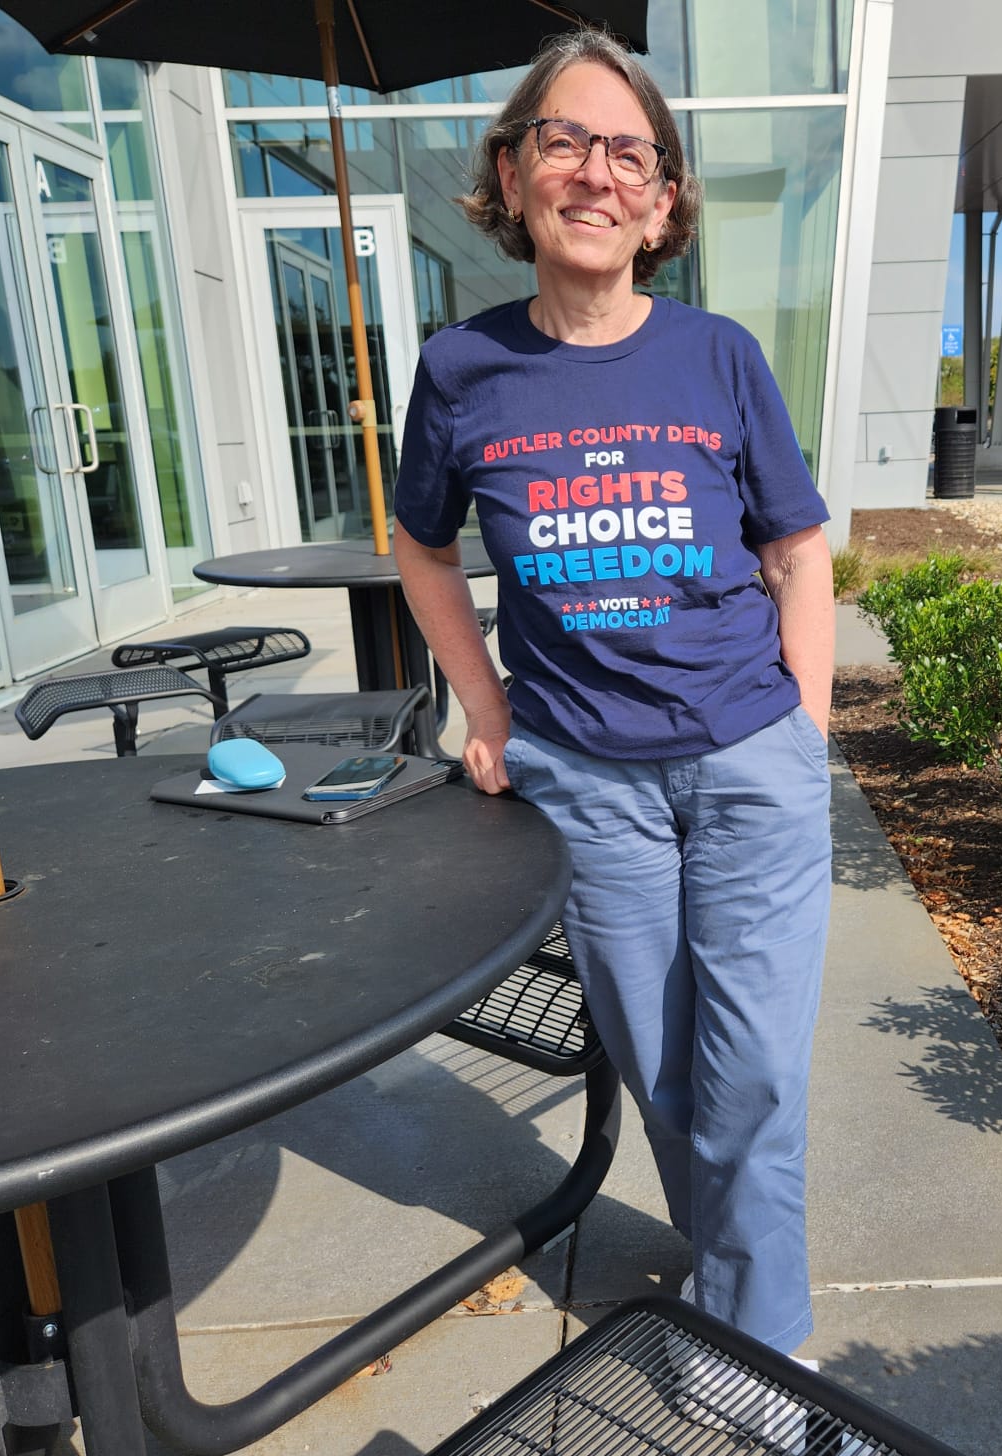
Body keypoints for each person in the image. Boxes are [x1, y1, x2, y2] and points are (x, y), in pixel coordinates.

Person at [391, 28, 835, 1363]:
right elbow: (418, 543)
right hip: (587, 781)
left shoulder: (719, 357)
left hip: (749, 761)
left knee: (749, 1078)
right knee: (662, 1067)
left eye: (625, 152)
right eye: (563, 143)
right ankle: (737, 1272)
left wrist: (805, 729)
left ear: (660, 200)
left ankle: (765, 1345)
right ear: (515, 179)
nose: (595, 172)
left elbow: (799, 552)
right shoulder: (461, 370)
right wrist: (485, 707)